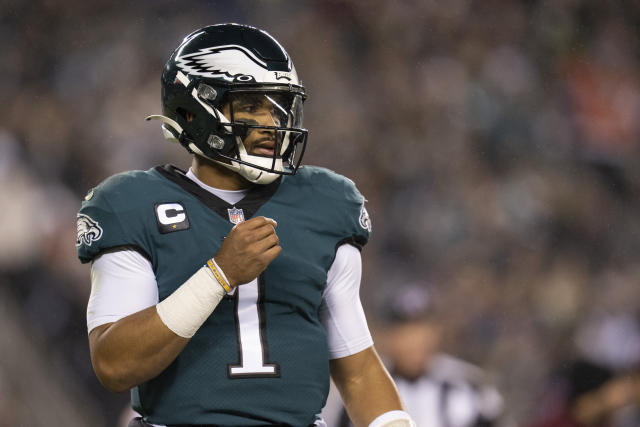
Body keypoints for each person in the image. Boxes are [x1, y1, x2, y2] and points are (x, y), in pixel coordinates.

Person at [76, 23, 415, 427]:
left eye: (278, 106)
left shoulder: (325, 203)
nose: (272, 122)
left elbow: (357, 367)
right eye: (252, 105)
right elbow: (115, 364)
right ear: (192, 110)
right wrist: (218, 276)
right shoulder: (131, 204)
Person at [323, 285, 505, 427]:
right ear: (387, 336)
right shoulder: (358, 388)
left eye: (421, 330)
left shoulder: (469, 386)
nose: (415, 342)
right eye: (405, 332)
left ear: (436, 332)